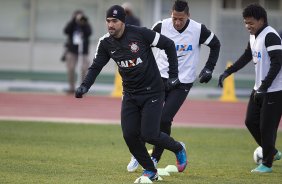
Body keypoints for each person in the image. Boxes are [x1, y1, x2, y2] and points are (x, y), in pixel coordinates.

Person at [75, 5, 187, 181]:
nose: (110, 25)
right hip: (130, 93)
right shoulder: (105, 43)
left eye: (114, 21)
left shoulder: (141, 34)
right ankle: (150, 170)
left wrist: (173, 75)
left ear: (123, 22)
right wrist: (85, 85)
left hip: (153, 91)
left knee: (149, 134)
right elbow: (96, 66)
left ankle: (178, 148)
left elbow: (169, 44)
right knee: (129, 135)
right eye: (108, 21)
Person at [127, 0, 220, 172]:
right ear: (171, 14)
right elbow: (142, 45)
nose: (177, 23)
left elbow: (215, 44)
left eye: (181, 19)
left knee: (163, 119)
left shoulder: (198, 29)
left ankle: (155, 157)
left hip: (182, 82)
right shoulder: (161, 26)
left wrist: (209, 68)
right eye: (174, 18)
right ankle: (139, 153)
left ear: (188, 16)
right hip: (159, 79)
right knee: (144, 116)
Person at [218, 3, 282, 173]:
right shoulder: (254, 36)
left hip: (275, 91)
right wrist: (228, 72)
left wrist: (264, 87)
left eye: (251, 23)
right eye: (246, 23)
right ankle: (272, 152)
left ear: (261, 20)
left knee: (267, 128)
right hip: (260, 88)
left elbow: (277, 64)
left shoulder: (271, 36)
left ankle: (267, 163)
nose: (248, 26)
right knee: (250, 121)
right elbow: (247, 56)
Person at [63, 10, 92, 94]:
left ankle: (83, 87)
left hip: (83, 51)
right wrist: (74, 20)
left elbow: (89, 32)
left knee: (84, 69)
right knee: (71, 68)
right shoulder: (72, 24)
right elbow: (66, 31)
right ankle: (71, 87)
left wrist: (83, 22)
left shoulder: (85, 23)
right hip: (72, 50)